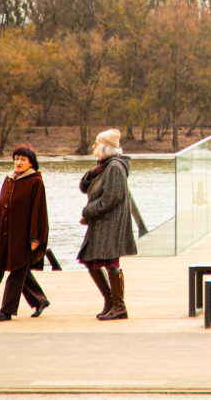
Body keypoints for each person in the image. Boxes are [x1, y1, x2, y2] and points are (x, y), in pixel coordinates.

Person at [78, 129, 137, 320]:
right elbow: (84, 187)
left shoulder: (115, 167)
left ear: (104, 147)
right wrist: (90, 174)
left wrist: (88, 210)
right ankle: (111, 301)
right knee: (90, 260)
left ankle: (118, 306)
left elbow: (111, 198)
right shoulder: (103, 166)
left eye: (96, 144)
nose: (93, 146)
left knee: (111, 262)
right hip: (101, 222)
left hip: (110, 223)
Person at [0, 144, 50, 322]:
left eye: (23, 159)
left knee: (16, 272)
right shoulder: (9, 179)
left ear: (31, 162)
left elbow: (38, 211)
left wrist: (35, 238)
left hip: (24, 236)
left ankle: (6, 311)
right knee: (19, 269)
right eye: (16, 159)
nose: (19, 162)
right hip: (7, 234)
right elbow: (1, 208)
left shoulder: (35, 182)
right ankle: (40, 300)